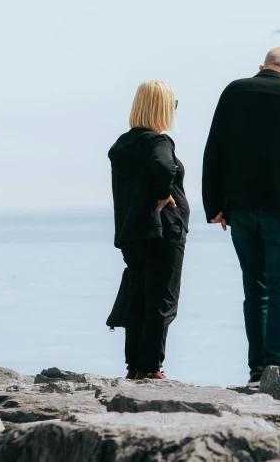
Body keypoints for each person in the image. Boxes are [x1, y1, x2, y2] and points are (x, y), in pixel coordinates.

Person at [202, 48, 280, 385]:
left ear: (262, 67)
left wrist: (213, 205)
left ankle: (257, 371)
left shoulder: (234, 91)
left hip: (240, 210)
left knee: (254, 288)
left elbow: (214, 149)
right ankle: (276, 368)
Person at [108, 80, 189, 380]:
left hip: (133, 232)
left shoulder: (123, 144)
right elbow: (164, 168)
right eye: (174, 104)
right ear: (162, 108)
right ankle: (153, 367)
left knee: (139, 295)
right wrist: (163, 197)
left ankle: (135, 366)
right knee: (163, 300)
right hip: (164, 230)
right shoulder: (158, 142)